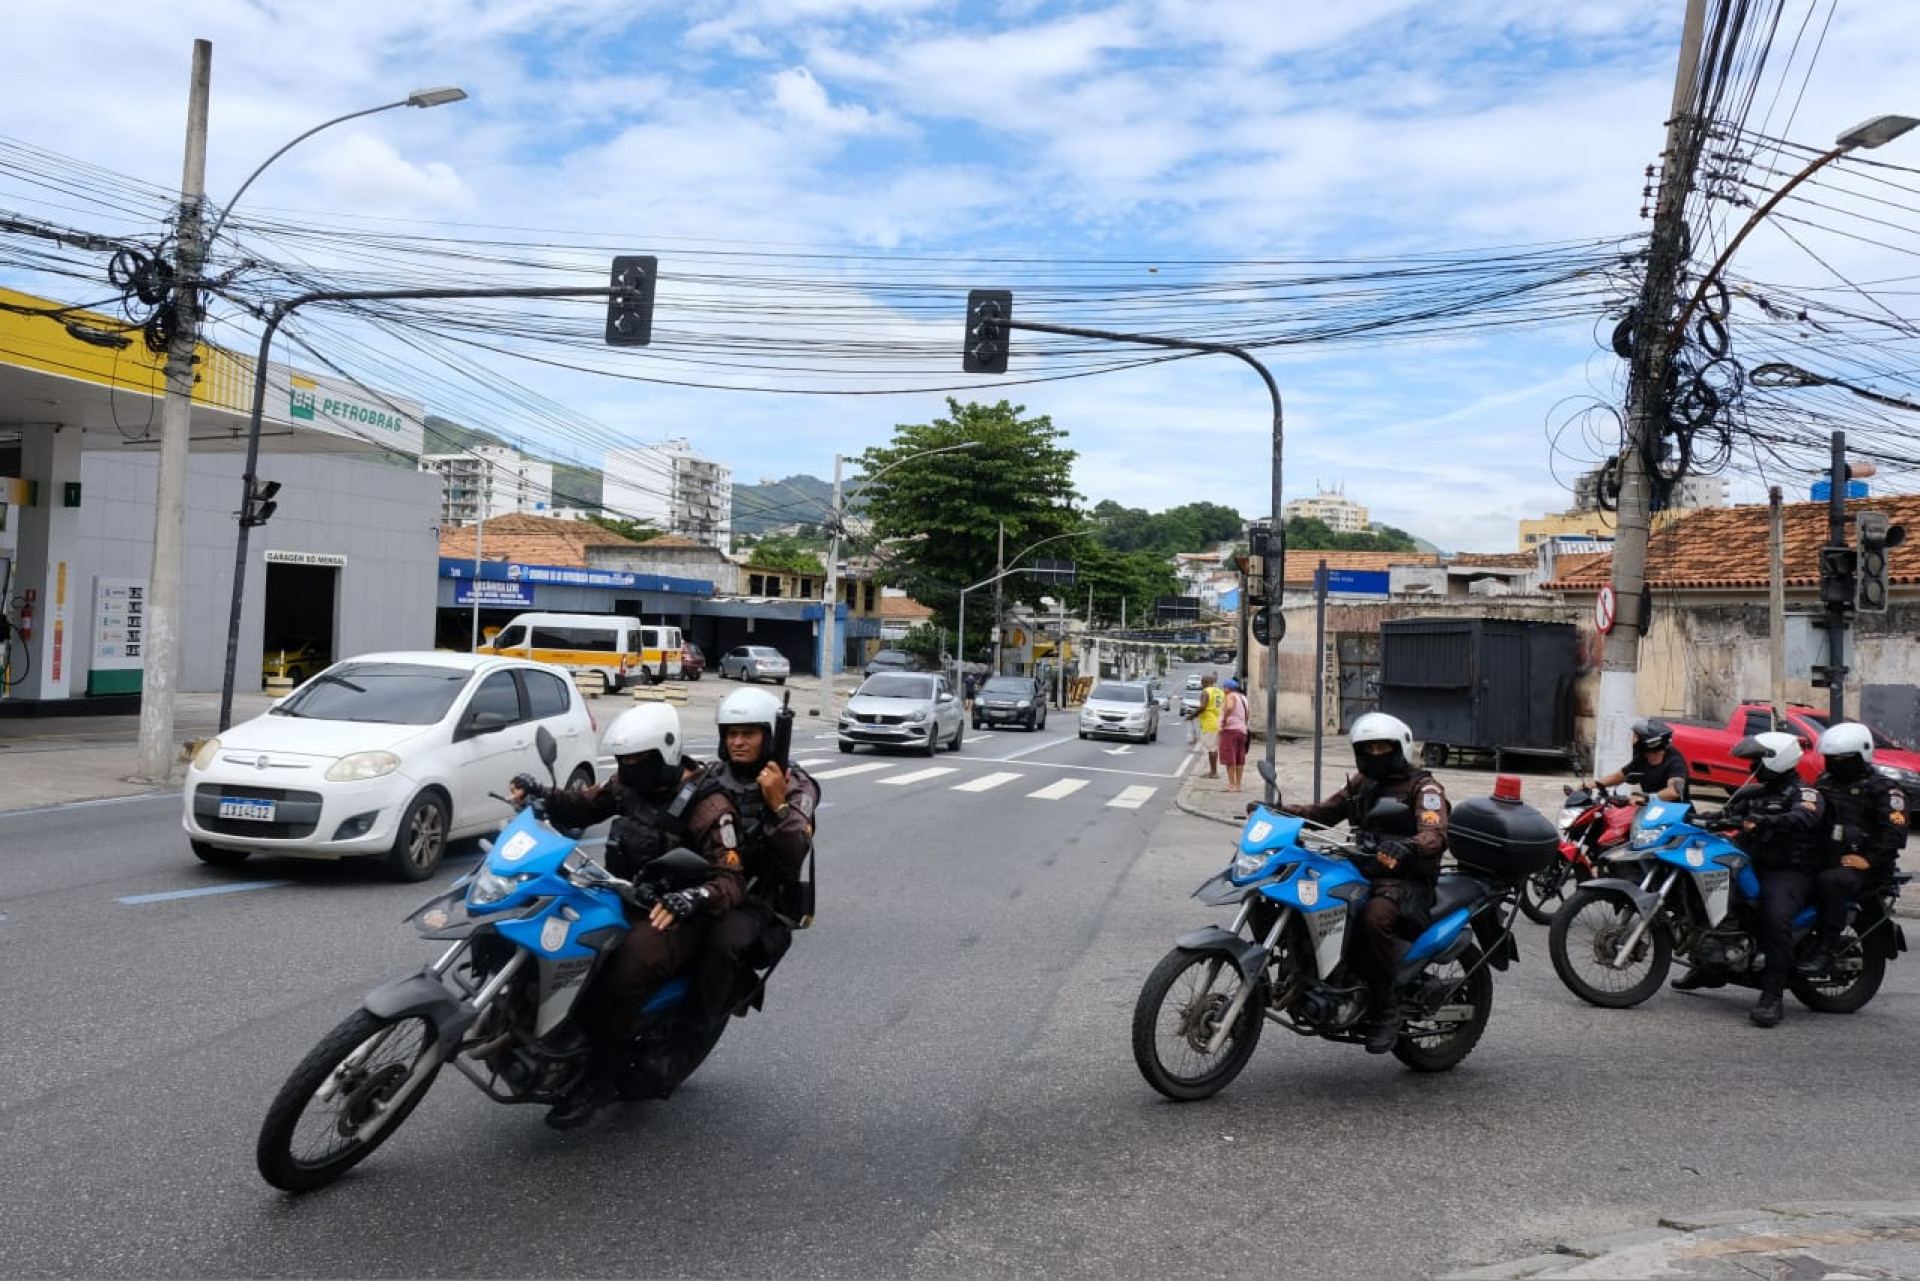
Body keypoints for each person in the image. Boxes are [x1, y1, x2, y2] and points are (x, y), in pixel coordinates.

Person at [509, 703, 747, 1128]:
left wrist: (693, 897)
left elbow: (730, 876)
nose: (627, 769)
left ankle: (599, 1077)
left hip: (675, 915)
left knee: (625, 969)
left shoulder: (710, 807)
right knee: (549, 923)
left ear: (666, 753)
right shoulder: (630, 784)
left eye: (637, 761)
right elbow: (584, 805)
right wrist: (540, 795)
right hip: (622, 893)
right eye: (623, 761)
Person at [1280, 712, 1448, 1054]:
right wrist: (1279, 812)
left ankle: (1386, 1008)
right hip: (1363, 870)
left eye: (1381, 746)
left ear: (1399, 746)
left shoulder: (1425, 787)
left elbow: (1435, 833)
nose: (1375, 753)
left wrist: (1410, 844)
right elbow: (1325, 813)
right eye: (1367, 747)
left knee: (1374, 918)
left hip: (1406, 880)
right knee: (1310, 895)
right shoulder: (1362, 782)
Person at [685, 687, 821, 1048]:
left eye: (749, 733)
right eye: (732, 733)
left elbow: (795, 852)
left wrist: (777, 804)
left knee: (722, 942)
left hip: (758, 898)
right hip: (712, 879)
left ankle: (692, 1033)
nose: (739, 742)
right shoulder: (712, 774)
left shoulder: (796, 784)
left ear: (770, 736)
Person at [1676, 731, 1826, 1028]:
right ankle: (1708, 966)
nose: (1752, 767)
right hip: (1751, 860)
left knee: (1775, 915)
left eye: (1758, 760)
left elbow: (1803, 818)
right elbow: (1724, 814)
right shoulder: (1753, 793)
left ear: (1777, 759)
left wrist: (1764, 821)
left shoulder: (1805, 794)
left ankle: (1772, 997)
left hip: (1788, 870)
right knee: (1704, 890)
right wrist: (1692, 818)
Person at [1801, 721, 1908, 977]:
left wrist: (1869, 860)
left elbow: (1894, 833)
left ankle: (1826, 951)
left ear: (1862, 754)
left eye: (1842, 759)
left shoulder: (1884, 789)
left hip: (1864, 866)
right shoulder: (1825, 781)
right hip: (1827, 855)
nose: (1835, 763)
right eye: (1831, 758)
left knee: (1832, 882)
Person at [1593, 717, 1690, 802]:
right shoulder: (1642, 758)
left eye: (1636, 737)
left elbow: (1674, 791)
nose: (1632, 741)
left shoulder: (1675, 761)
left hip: (1676, 814)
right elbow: (1620, 775)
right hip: (1651, 811)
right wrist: (1594, 784)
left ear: (1649, 742)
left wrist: (1646, 798)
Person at [1217, 678, 1250, 792]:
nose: (1223, 690)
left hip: (1230, 730)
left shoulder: (1230, 696)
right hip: (1242, 730)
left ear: (1228, 688)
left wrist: (1225, 719)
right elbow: (1247, 715)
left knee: (1230, 757)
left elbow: (1230, 707)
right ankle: (1239, 785)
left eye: (1224, 688)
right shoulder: (1243, 698)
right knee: (1239, 757)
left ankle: (1232, 785)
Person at [1196, 674, 1225, 779]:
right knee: (1214, 748)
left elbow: (1202, 707)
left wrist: (1193, 715)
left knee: (1211, 749)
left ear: (1205, 682)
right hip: (1218, 721)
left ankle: (1214, 773)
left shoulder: (1206, 691)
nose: (1201, 684)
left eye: (1202, 682)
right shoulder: (1220, 692)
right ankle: (1212, 771)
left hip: (1209, 722)